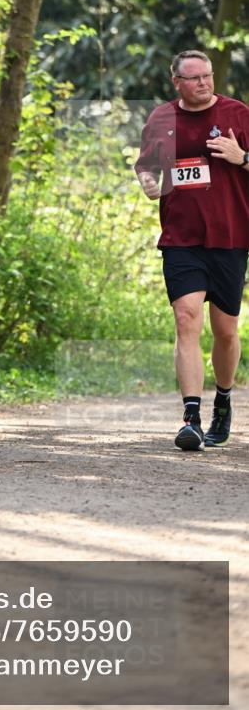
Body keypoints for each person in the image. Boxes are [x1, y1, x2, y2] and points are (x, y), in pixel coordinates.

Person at [135, 50, 249, 451]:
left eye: (207, 76)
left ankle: (223, 398)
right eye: (194, 78)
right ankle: (191, 418)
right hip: (181, 238)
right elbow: (146, 165)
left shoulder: (238, 114)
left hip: (231, 238)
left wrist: (243, 157)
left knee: (225, 331)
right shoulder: (162, 119)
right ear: (177, 83)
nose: (203, 83)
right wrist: (149, 181)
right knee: (186, 319)